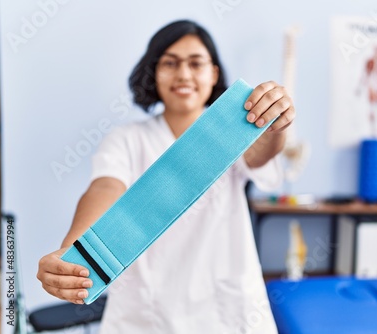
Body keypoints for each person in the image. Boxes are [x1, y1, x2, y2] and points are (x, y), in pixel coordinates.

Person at [36, 20, 295, 333]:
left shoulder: (232, 132)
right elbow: (105, 187)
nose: (183, 74)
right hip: (146, 313)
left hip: (226, 311)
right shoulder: (127, 138)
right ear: (154, 74)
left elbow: (262, 152)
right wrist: (72, 252)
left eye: (195, 63)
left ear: (213, 74)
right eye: (170, 63)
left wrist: (273, 123)